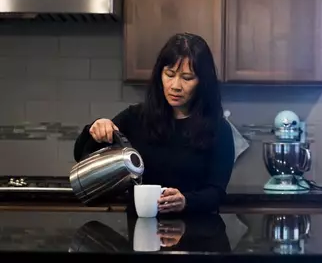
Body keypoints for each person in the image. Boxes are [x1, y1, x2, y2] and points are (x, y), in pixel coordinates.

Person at [73, 33, 235, 214]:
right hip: (141, 232)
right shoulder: (135, 118)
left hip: (198, 233)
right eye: (170, 74)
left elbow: (216, 193)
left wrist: (186, 201)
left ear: (203, 82)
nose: (175, 85)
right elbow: (81, 154)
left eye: (187, 78)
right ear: (160, 75)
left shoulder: (219, 129)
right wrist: (95, 129)